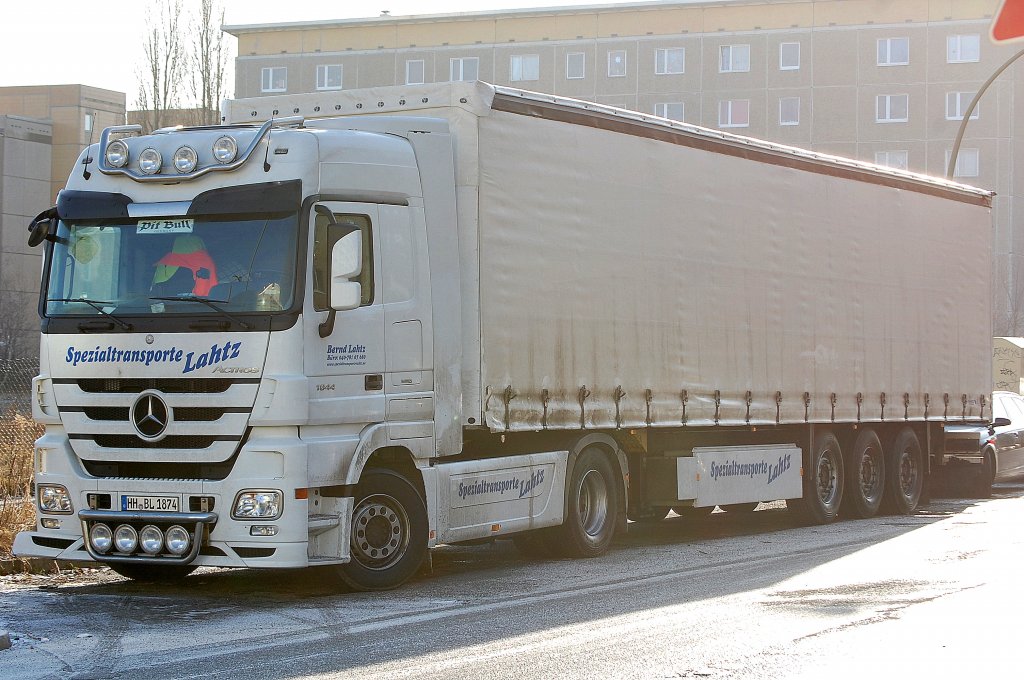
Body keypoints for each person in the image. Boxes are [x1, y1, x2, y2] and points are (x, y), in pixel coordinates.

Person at [151, 234, 219, 297]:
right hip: (203, 304)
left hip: (168, 305)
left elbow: (155, 286)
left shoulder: (166, 262)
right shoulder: (206, 261)